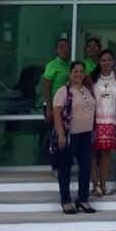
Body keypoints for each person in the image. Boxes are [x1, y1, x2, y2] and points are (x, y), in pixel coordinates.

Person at [52, 61, 97, 214]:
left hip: (86, 135)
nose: (78, 74)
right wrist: (61, 135)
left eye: (81, 71)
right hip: (69, 135)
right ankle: (66, 200)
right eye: (75, 71)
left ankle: (83, 199)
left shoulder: (87, 90)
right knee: (65, 168)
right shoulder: (63, 91)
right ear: (70, 74)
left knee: (85, 167)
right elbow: (57, 114)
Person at [90, 49, 116, 197]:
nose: (106, 62)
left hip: (110, 120)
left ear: (113, 62)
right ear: (99, 62)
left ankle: (103, 184)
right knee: (93, 153)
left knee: (106, 154)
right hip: (94, 120)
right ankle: (95, 186)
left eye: (109, 59)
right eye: (103, 60)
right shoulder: (92, 78)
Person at [41, 38, 72, 171]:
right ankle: (55, 166)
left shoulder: (70, 65)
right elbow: (46, 88)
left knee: (65, 137)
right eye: (61, 47)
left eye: (66, 47)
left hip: (66, 108)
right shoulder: (52, 65)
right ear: (56, 50)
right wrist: (49, 109)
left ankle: (64, 165)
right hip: (54, 107)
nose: (64, 49)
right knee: (55, 137)